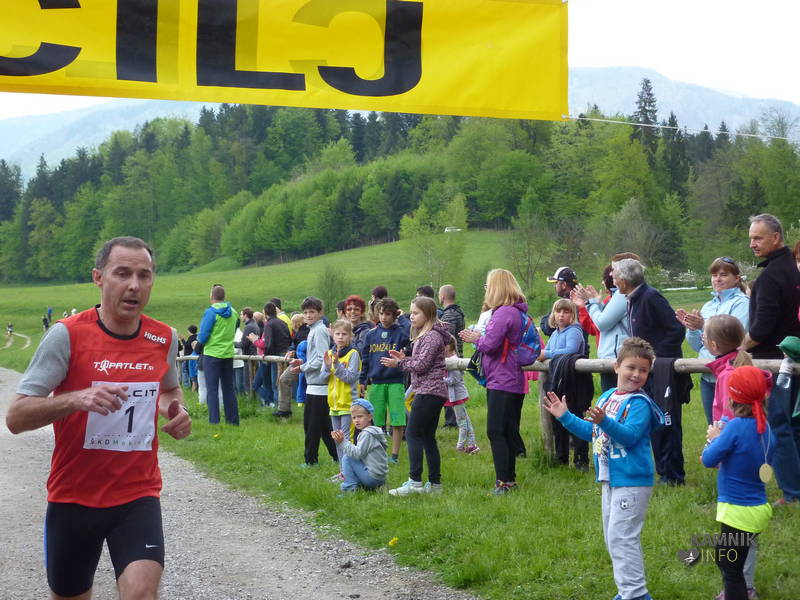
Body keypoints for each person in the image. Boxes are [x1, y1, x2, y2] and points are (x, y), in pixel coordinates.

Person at [6, 236, 192, 600]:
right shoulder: (67, 335)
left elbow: (169, 390)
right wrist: (77, 398)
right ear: (98, 277)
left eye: (144, 275)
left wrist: (176, 410)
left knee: (141, 593)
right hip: (74, 497)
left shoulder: (163, 338)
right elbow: (16, 416)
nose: (134, 285)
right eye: (122, 273)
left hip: (137, 493)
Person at [542, 338, 664, 600]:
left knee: (622, 538)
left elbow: (629, 436)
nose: (636, 374)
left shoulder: (639, 403)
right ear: (616, 366)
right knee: (613, 539)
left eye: (643, 370)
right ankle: (628, 591)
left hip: (632, 481)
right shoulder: (607, 396)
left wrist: (605, 421)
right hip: (611, 479)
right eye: (631, 367)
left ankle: (635, 594)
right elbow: (594, 432)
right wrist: (565, 416)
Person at [614, 258, 690, 486]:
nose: (613, 280)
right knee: (654, 423)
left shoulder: (650, 297)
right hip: (650, 373)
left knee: (666, 422)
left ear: (624, 280)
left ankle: (673, 476)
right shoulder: (633, 299)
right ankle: (662, 472)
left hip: (662, 373)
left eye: (615, 276)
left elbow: (676, 329)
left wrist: (656, 358)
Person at [702, 366, 775, 600]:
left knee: (730, 568)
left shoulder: (735, 427)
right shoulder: (765, 426)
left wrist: (714, 439)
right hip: (757, 508)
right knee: (729, 559)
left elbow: (708, 459)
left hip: (738, 511)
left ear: (731, 398)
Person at [743, 213, 800, 506]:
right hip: (793, 356)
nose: (752, 244)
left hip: (774, 363)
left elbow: (762, 328)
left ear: (776, 237)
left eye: (758, 238)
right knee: (794, 425)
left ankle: (792, 493)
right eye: (751, 238)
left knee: (779, 425)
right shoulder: (791, 267)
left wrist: (739, 348)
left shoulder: (770, 276)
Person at [459, 268, 529, 495]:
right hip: (510, 377)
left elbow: (489, 345)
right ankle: (510, 480)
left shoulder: (503, 313)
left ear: (496, 288)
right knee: (507, 430)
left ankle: (503, 482)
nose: (486, 290)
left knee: (496, 430)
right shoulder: (514, 311)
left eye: (488, 286)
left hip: (502, 379)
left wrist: (476, 338)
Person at [382, 296, 450, 496]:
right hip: (431, 391)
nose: (411, 317)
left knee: (412, 433)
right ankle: (435, 484)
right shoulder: (426, 335)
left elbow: (422, 365)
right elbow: (421, 360)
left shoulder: (431, 337)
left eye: (415, 313)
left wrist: (400, 363)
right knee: (428, 437)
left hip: (428, 391)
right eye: (411, 313)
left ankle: (415, 482)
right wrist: (406, 358)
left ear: (427, 314)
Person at [675, 257, 749, 425]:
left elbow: (733, 338)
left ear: (736, 279)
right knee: (713, 425)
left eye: (723, 275)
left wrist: (703, 325)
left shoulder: (742, 303)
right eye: (714, 275)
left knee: (732, 424)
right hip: (708, 376)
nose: (717, 279)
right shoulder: (708, 305)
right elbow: (698, 346)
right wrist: (692, 329)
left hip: (730, 375)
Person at [540, 298, 590, 470]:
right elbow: (548, 351)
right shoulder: (555, 334)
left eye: (566, 312)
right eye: (558, 311)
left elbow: (571, 351)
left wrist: (547, 354)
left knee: (575, 418)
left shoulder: (574, 331)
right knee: (558, 421)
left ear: (572, 315)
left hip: (573, 383)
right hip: (558, 381)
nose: (561, 315)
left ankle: (581, 460)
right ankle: (561, 458)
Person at [360, 297, 409, 463]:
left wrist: (401, 317)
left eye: (388, 314)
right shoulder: (370, 335)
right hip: (376, 382)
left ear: (394, 315)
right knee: (376, 420)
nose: (384, 317)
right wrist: (362, 380)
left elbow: (410, 334)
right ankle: (379, 453)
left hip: (396, 381)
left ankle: (394, 455)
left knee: (397, 419)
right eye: (381, 313)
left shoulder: (400, 332)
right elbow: (365, 359)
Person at [290, 297, 338, 467]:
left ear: (320, 313)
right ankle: (338, 456)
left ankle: (310, 460)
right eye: (305, 312)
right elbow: (315, 358)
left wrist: (302, 368)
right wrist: (302, 362)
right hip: (314, 386)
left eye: (312, 312)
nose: (308, 315)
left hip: (319, 387)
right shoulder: (313, 330)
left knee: (311, 426)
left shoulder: (319, 331)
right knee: (324, 427)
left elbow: (322, 359)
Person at [573, 264, 630, 392]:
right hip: (609, 358)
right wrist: (587, 306)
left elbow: (600, 325)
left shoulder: (620, 298)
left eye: (604, 279)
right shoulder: (611, 300)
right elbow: (595, 328)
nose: (602, 282)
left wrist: (589, 304)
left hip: (616, 358)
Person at [322, 320, 361, 480]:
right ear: (332, 335)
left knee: (345, 439)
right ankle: (343, 472)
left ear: (350, 336)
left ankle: (349, 473)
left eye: (344, 334)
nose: (340, 337)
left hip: (348, 404)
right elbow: (323, 378)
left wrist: (336, 365)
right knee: (337, 439)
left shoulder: (353, 354)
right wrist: (327, 366)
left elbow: (350, 377)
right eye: (337, 334)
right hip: (334, 405)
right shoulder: (329, 353)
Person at [197, 284, 239, 425]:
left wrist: (199, 346)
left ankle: (214, 421)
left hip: (212, 354)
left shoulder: (211, 312)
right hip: (228, 354)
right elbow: (235, 327)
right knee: (229, 389)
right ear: (224, 296)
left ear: (212, 296)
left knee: (212, 390)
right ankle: (233, 420)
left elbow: (203, 335)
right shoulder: (233, 312)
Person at [703, 315, 754, 423]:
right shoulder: (739, 363)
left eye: (705, 337)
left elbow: (730, 414)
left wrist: (719, 432)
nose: (702, 339)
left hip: (729, 431)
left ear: (713, 345)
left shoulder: (728, 375)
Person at [331, 399, 388, 494]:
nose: (356, 420)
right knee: (352, 458)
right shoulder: (375, 431)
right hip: (381, 478)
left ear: (370, 417)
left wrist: (342, 442)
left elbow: (357, 454)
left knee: (347, 457)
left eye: (360, 416)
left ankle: (349, 489)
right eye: (354, 418)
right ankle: (358, 484)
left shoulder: (367, 434)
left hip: (372, 478)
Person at [542, 266, 599, 343]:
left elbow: (547, 327)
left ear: (564, 285)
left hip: (568, 348)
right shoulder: (583, 300)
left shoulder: (567, 304)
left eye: (556, 283)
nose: (554, 286)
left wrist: (546, 319)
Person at [443, 336, 478, 454]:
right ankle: (472, 444)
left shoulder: (453, 361)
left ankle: (460, 446)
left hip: (457, 396)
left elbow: (454, 380)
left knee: (462, 422)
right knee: (466, 420)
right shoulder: (450, 359)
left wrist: (440, 379)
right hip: (455, 395)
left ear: (449, 347)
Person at [438, 284, 465, 355]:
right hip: (456, 353)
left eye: (439, 294)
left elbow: (447, 338)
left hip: (451, 356)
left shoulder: (450, 314)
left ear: (442, 296)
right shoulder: (456, 311)